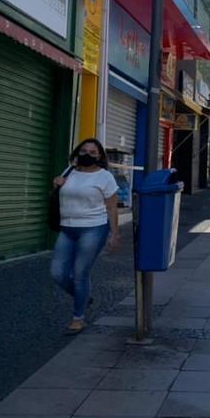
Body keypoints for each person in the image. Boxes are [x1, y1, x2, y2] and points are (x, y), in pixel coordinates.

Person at [50, 138, 119, 335]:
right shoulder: (69, 171)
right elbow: (60, 193)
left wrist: (115, 234)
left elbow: (112, 206)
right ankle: (83, 296)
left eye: (93, 152)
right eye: (84, 150)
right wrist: (57, 183)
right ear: (77, 152)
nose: (88, 154)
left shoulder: (105, 177)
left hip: (93, 228)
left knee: (80, 273)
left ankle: (78, 318)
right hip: (67, 227)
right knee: (58, 273)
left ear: (99, 156)